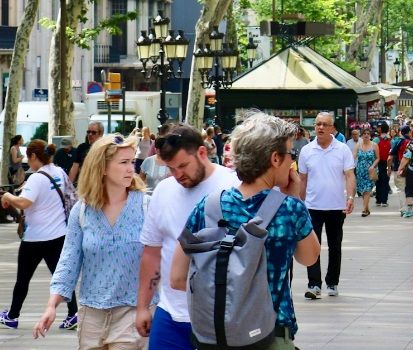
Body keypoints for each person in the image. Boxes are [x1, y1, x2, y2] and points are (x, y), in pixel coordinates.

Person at [171, 112, 321, 348]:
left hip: (215, 337)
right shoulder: (289, 210)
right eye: (291, 155)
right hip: (269, 336)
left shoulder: (210, 205)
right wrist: (294, 197)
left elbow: (178, 277)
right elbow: (310, 257)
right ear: (274, 158)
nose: (292, 162)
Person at [33, 135, 148, 348]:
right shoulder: (83, 210)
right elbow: (69, 261)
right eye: (123, 163)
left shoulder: (146, 207)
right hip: (90, 315)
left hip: (132, 312)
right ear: (102, 168)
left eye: (132, 162)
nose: (131, 169)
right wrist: (52, 306)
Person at [133, 124, 240, 350]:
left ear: (202, 153)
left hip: (220, 316)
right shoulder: (164, 191)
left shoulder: (234, 186)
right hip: (170, 314)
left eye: (183, 166)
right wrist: (143, 306)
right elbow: (152, 253)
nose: (178, 175)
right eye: (171, 168)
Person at [0, 140, 78, 330]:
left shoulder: (37, 178)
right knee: (61, 277)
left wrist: (8, 196)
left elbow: (24, 202)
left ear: (34, 157)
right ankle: (73, 313)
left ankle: (12, 316)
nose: (29, 161)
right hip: (59, 235)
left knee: (23, 279)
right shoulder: (59, 171)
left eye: (29, 157)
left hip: (35, 238)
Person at [298, 112, 355, 299]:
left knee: (335, 245)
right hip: (312, 206)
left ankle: (332, 282)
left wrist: (351, 198)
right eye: (317, 124)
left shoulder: (342, 149)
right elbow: (302, 180)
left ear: (332, 128)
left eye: (325, 124)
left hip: (336, 206)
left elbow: (349, 175)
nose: (320, 128)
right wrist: (299, 204)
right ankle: (314, 284)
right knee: (312, 247)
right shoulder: (307, 150)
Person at [355, 129, 379, 217]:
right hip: (360, 171)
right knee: (363, 191)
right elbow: (353, 156)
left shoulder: (374, 145)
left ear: (370, 135)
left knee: (367, 189)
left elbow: (378, 158)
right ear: (362, 135)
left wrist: (373, 166)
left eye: (368, 134)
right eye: (364, 133)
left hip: (370, 170)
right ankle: (367, 208)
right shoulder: (358, 145)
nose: (366, 135)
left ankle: (364, 210)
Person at [375, 124, 392, 207]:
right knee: (385, 181)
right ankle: (384, 201)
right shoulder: (391, 140)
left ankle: (378, 200)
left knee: (378, 181)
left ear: (380, 129)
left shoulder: (376, 139)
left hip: (378, 162)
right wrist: (390, 167)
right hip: (387, 162)